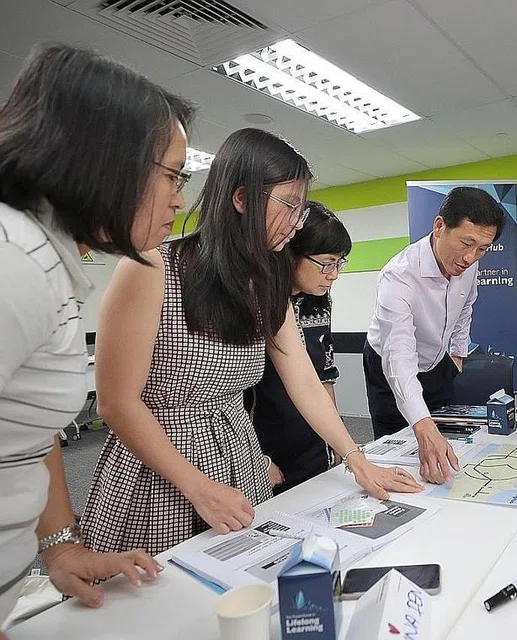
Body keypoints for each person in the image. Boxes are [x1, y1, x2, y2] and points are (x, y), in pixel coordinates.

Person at [82, 128, 421, 557]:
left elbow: (304, 381)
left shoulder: (267, 286)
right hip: (161, 473)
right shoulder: (152, 268)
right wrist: (196, 486)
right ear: (241, 199)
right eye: (291, 205)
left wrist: (357, 458)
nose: (298, 222)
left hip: (238, 460)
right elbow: (116, 404)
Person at [0, 43, 193, 622]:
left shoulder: (50, 261)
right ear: (109, 160)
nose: (180, 199)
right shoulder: (16, 263)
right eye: (172, 177)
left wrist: (59, 546)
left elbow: (25, 429)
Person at [364, 187, 505, 483]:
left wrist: (457, 352)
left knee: (444, 431)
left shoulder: (470, 265)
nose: (471, 257)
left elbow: (466, 306)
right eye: (467, 243)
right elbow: (399, 358)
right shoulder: (398, 277)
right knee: (398, 445)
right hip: (388, 364)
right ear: (439, 226)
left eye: (482, 248)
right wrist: (422, 425)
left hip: (439, 360)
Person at [249, 202, 350, 493]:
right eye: (327, 263)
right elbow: (237, 397)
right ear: (291, 254)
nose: (333, 274)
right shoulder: (260, 303)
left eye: (340, 263)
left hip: (312, 439)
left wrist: (337, 439)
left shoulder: (319, 300)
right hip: (265, 444)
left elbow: (323, 375)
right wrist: (258, 459)